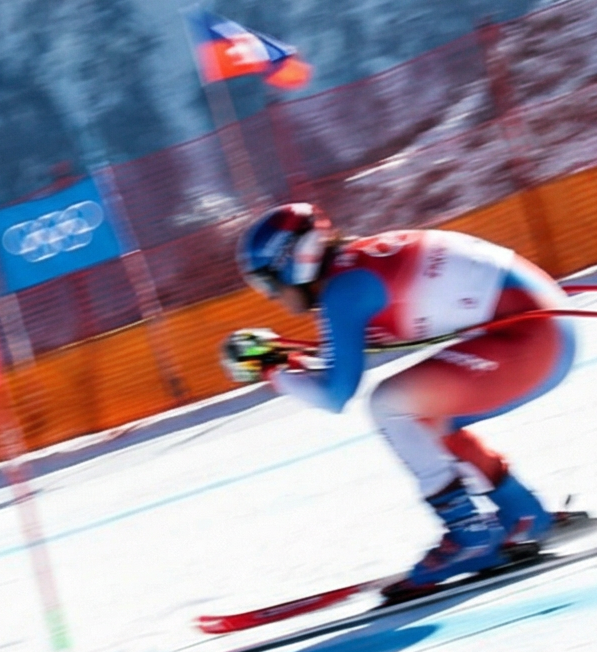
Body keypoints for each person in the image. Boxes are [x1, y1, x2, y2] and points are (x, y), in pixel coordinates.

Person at [221, 201, 577, 599]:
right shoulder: (351, 269)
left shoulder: (343, 290)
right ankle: (523, 513)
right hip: (542, 328)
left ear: (294, 262)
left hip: (533, 340)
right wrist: (284, 361)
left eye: (268, 283)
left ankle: (470, 533)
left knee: (390, 404)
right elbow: (341, 361)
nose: (271, 297)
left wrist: (270, 370)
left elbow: (335, 393)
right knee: (421, 416)